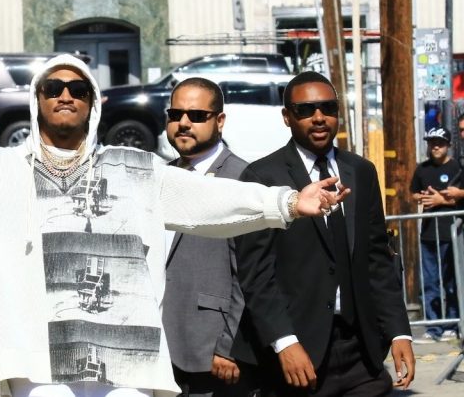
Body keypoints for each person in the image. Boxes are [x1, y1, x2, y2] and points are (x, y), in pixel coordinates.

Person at [0, 55, 345, 397]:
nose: (65, 95)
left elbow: (212, 198)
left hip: (125, 366)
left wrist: (286, 202)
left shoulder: (136, 169)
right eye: (53, 87)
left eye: (77, 90)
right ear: (36, 100)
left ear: (92, 104)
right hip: (39, 364)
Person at [231, 71, 415, 396]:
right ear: (287, 117)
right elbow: (256, 274)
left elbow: (377, 259)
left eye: (328, 108)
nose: (319, 118)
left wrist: (399, 331)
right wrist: (284, 341)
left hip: (362, 354)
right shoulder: (262, 177)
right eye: (305, 110)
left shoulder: (361, 171)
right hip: (297, 356)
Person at [161, 77, 246, 397]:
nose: (183, 123)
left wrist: (229, 346)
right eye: (175, 114)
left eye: (196, 115)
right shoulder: (161, 176)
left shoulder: (242, 179)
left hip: (212, 356)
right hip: (160, 355)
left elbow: (252, 276)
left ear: (219, 121)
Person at [411, 127, 460, 343]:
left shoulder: (457, 168)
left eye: (439, 142)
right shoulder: (422, 169)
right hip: (429, 234)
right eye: (432, 142)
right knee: (430, 283)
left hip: (452, 233)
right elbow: (413, 192)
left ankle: (452, 324)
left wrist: (442, 200)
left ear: (448, 144)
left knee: (451, 282)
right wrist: (420, 197)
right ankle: (433, 327)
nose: (435, 146)